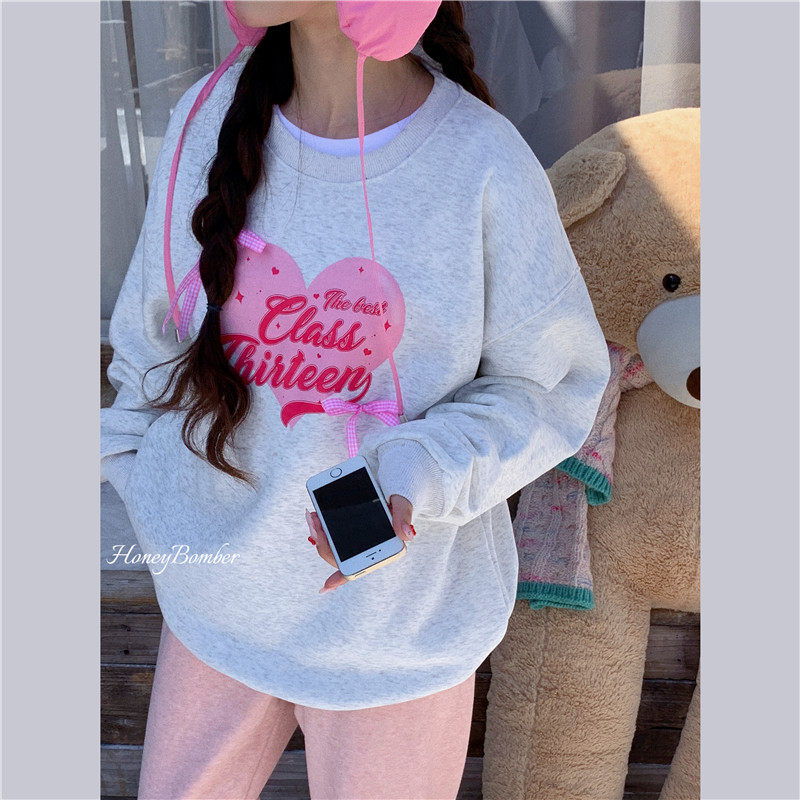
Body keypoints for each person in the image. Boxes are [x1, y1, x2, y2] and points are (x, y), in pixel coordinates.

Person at [100, 2, 611, 797]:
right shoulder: (208, 117)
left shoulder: (480, 161)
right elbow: (151, 338)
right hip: (215, 606)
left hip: (395, 633)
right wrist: (152, 490)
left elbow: (545, 385)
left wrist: (419, 469)